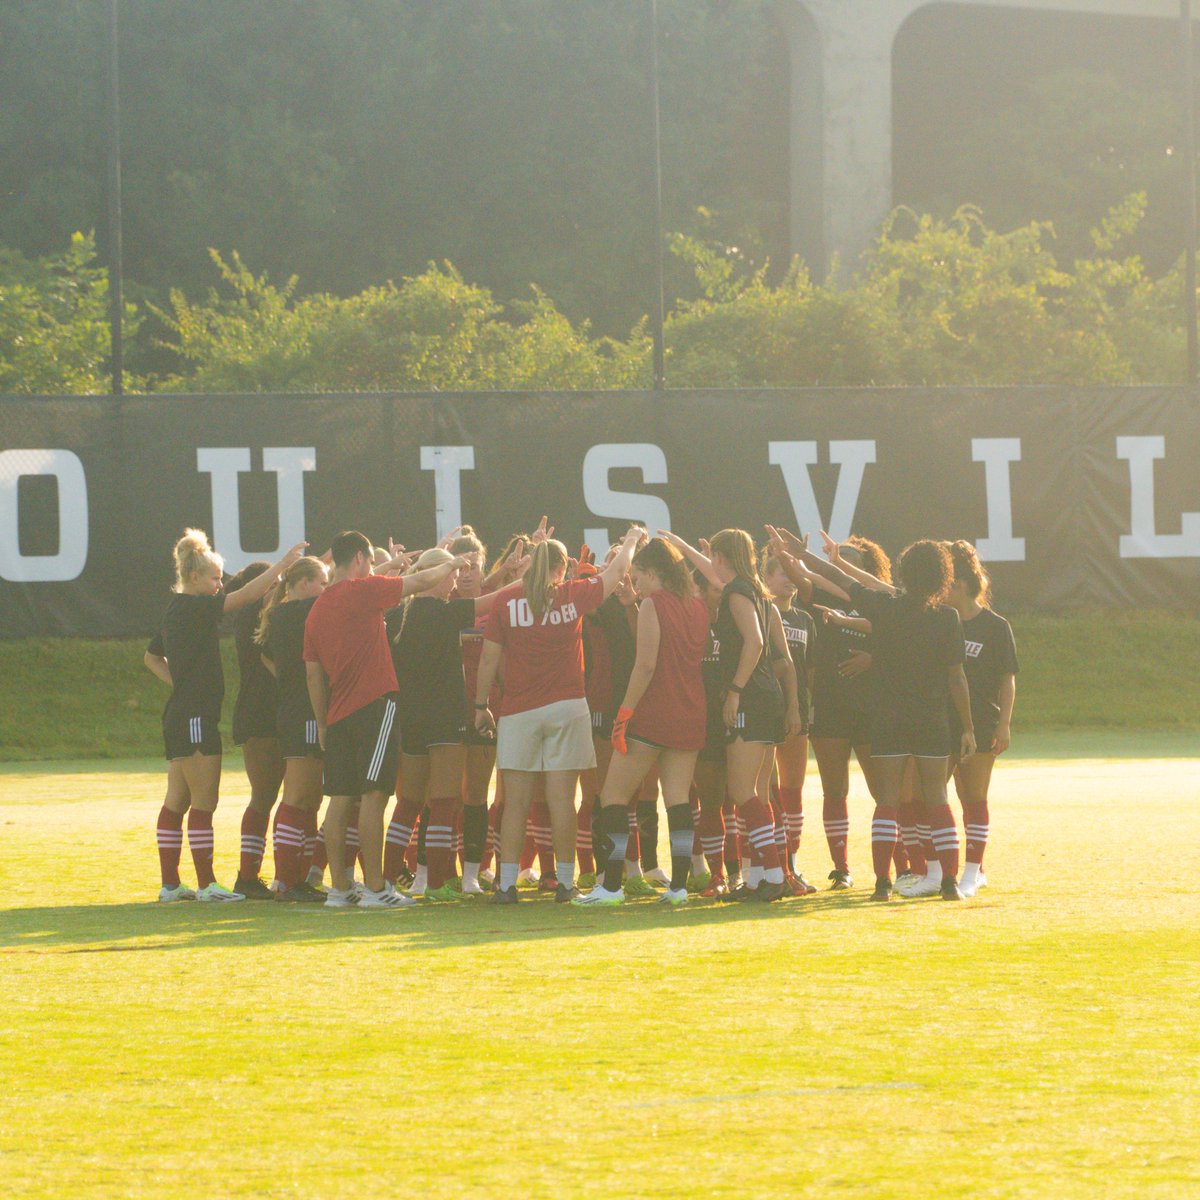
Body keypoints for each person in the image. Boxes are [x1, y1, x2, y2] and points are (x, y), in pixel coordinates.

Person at [775, 531, 974, 902]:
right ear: (942, 577)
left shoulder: (885, 607)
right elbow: (957, 677)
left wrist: (808, 556)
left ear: (903, 574)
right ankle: (948, 882)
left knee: (887, 800)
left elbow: (848, 583)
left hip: (889, 718)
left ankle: (882, 884)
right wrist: (966, 725)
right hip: (931, 718)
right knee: (937, 799)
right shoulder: (947, 618)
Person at [474, 526, 643, 904]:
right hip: (567, 707)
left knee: (515, 803)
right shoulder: (571, 594)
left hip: (518, 710)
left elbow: (489, 657)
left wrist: (480, 704)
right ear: (562, 567)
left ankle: (506, 885)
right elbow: (616, 575)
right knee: (562, 801)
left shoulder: (507, 600)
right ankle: (565, 884)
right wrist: (631, 540)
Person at [303, 530, 469, 909]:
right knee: (374, 796)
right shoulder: (362, 590)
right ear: (361, 558)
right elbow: (421, 580)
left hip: (337, 713)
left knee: (340, 800)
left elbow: (313, 675)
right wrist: (453, 562)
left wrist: (323, 723)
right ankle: (377, 888)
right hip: (375, 705)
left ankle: (341, 888)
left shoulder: (318, 609)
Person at [145, 528, 306, 902]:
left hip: (182, 713)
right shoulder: (195, 605)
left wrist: (181, 683)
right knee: (204, 802)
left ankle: (170, 885)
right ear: (194, 577)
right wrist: (283, 565)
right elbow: (246, 595)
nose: (220, 585)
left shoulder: (176, 608)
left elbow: (151, 657)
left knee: (177, 802)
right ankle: (207, 885)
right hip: (196, 717)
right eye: (215, 578)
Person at [661, 529, 803, 902]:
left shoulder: (738, 592)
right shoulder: (753, 587)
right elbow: (713, 572)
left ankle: (773, 875)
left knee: (742, 792)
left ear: (724, 557)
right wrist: (686, 547)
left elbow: (755, 641)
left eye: (715, 558)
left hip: (752, 699)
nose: (713, 565)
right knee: (757, 793)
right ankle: (759, 878)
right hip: (766, 697)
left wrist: (735, 691)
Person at [575, 538, 710, 907]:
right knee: (678, 798)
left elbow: (646, 663)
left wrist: (625, 712)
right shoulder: (697, 605)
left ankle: (612, 886)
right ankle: (679, 887)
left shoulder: (654, 603)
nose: (636, 584)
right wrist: (633, 605)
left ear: (653, 572)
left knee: (614, 797)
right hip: (690, 709)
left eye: (639, 576)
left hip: (653, 712)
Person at [768, 526, 881, 891]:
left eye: (849, 568)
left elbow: (905, 648)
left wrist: (872, 659)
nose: (842, 574)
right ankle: (841, 868)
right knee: (835, 790)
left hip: (869, 707)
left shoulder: (881, 603)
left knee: (884, 792)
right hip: (830, 708)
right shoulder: (813, 598)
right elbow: (804, 578)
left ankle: (900, 866)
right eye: (836, 567)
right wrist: (792, 557)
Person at [389, 544, 503, 901]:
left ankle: (385, 882)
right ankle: (438, 883)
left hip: (410, 717)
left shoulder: (398, 614)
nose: (455, 583)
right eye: (452, 576)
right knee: (442, 800)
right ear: (437, 577)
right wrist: (531, 581)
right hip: (446, 718)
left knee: (408, 802)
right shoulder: (445, 613)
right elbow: (492, 601)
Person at [943, 540, 1017, 898]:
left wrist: (1003, 724)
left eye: (945, 585)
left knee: (974, 796)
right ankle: (962, 866)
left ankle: (972, 872)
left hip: (983, 721)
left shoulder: (994, 626)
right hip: (944, 721)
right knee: (949, 795)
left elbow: (1007, 678)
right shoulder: (940, 623)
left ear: (960, 585)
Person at [257, 555, 330, 902]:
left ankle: (299, 879)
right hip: (302, 711)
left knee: (311, 799)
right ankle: (286, 881)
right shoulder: (297, 613)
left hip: (302, 708)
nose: (327, 590)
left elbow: (266, 656)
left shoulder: (287, 613)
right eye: (323, 582)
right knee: (297, 796)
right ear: (304, 584)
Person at [225, 561, 285, 899]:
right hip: (259, 713)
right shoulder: (249, 616)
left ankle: (287, 873)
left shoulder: (268, 614)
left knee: (290, 798)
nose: (279, 587)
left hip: (274, 712)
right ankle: (247, 876)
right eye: (274, 582)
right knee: (264, 796)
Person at [762, 553, 818, 895]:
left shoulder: (805, 619)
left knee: (792, 791)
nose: (790, 579)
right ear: (766, 578)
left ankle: (792, 863)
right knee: (766, 792)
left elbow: (809, 670)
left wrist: (801, 706)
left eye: (794, 572)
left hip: (795, 714)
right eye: (783, 572)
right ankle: (768, 864)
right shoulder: (758, 610)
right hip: (765, 711)